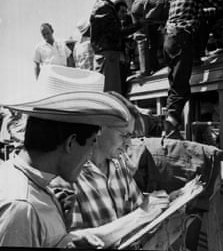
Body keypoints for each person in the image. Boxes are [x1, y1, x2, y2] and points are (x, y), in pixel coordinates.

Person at [0, 90, 156, 248]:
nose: (90, 154)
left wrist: (73, 239)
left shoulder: (34, 188)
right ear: (71, 143)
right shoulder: (22, 207)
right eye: (91, 143)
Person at [163, 0, 223, 134]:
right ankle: (171, 123)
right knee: (181, 87)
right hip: (183, 38)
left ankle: (171, 120)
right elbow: (220, 2)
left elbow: (192, 11)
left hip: (169, 39)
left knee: (175, 83)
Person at [90, 0, 141, 93]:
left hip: (109, 57)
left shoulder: (105, 5)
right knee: (110, 95)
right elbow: (116, 33)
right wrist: (138, 26)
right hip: (108, 58)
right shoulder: (104, 7)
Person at [131, 0, 174, 75]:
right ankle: (170, 59)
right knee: (170, 20)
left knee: (142, 38)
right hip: (151, 1)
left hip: (136, 5)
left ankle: (145, 69)